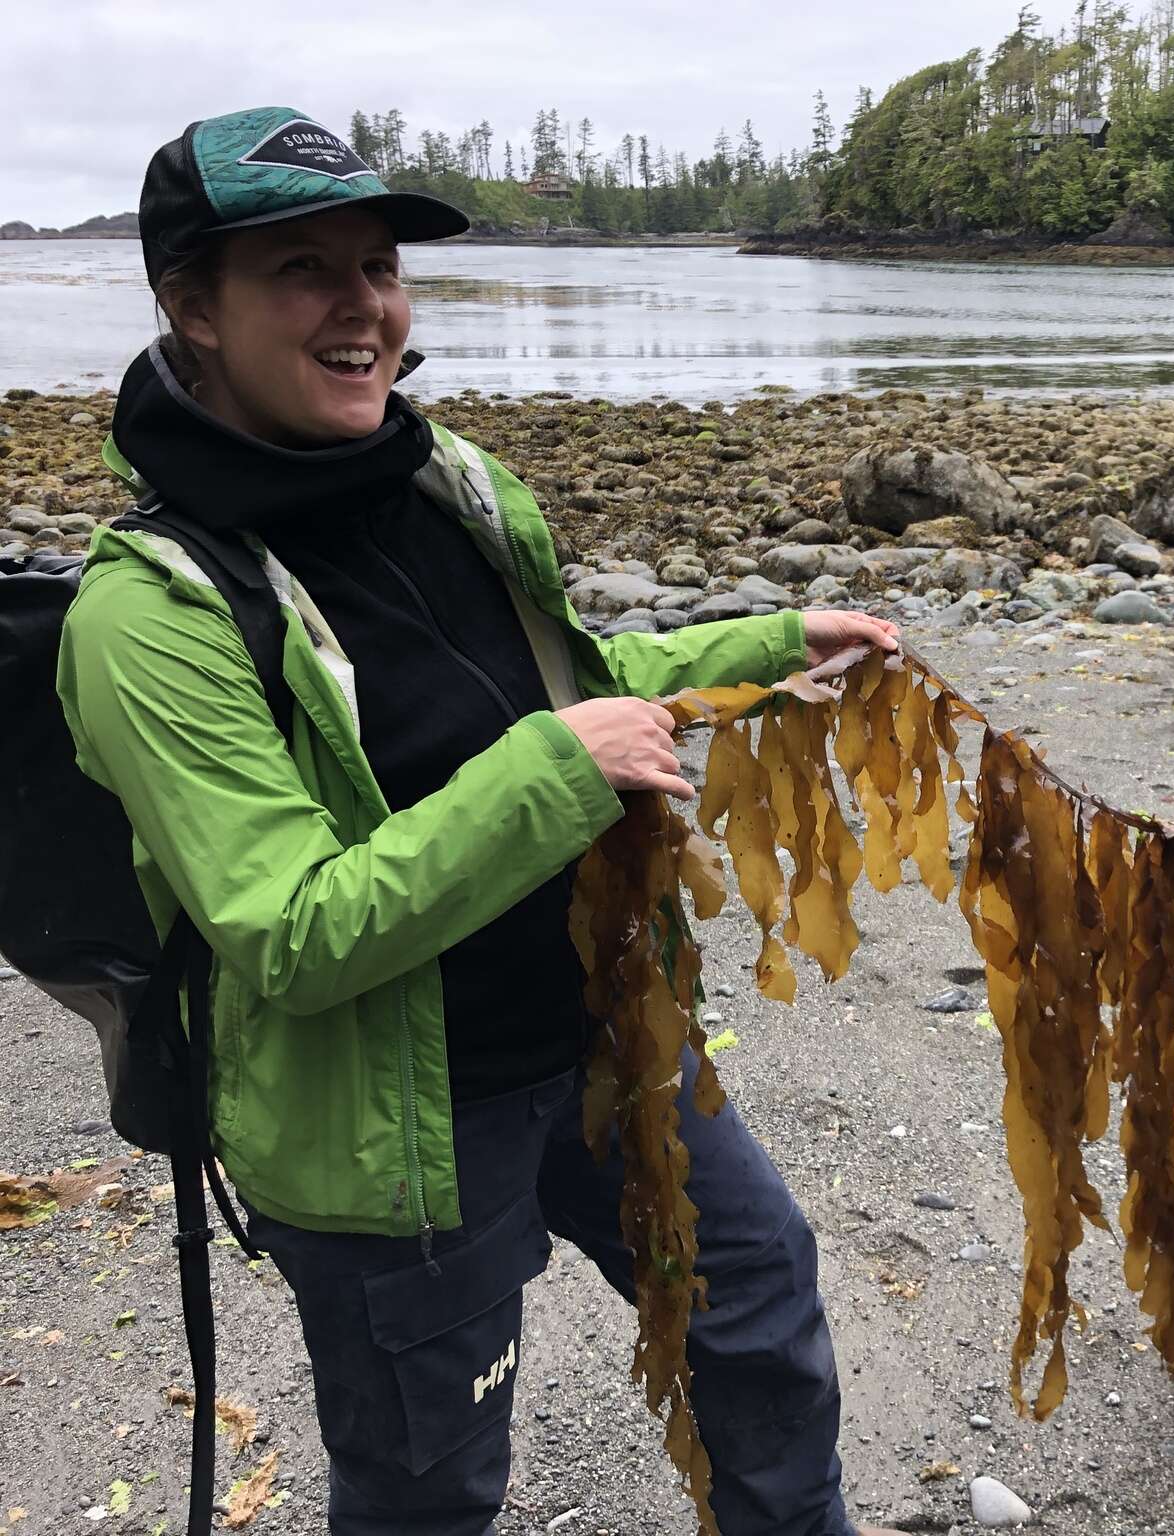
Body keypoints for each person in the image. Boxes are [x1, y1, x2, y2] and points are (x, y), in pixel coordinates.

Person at [57, 108, 905, 1536]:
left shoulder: (449, 482)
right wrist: (557, 772)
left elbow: (583, 685)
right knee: (428, 1487)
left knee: (758, 1322)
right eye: (301, 269)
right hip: (392, 1140)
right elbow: (295, 928)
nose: (362, 308)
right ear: (190, 308)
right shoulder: (149, 614)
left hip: (607, 1036)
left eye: (378, 266)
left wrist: (766, 644)